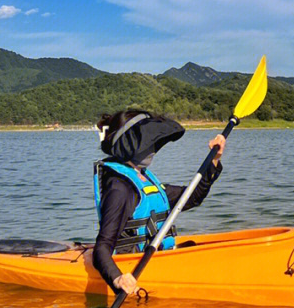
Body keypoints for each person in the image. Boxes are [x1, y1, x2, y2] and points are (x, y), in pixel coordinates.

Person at [92, 107, 226, 297]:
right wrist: (118, 278)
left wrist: (214, 160)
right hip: (131, 265)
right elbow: (102, 248)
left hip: (160, 258)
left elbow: (193, 197)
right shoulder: (119, 188)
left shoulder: (144, 180)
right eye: (148, 143)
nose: (153, 149)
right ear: (132, 146)